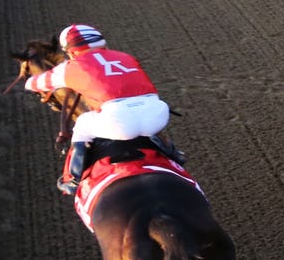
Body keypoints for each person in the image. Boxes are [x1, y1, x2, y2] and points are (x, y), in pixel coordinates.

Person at [24, 24, 180, 195]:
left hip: (120, 124)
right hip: (158, 115)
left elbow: (35, 84)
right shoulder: (126, 56)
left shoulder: (69, 67)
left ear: (71, 51)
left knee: (83, 122)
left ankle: (73, 180)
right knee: (145, 108)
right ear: (102, 43)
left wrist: (34, 82)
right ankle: (173, 154)